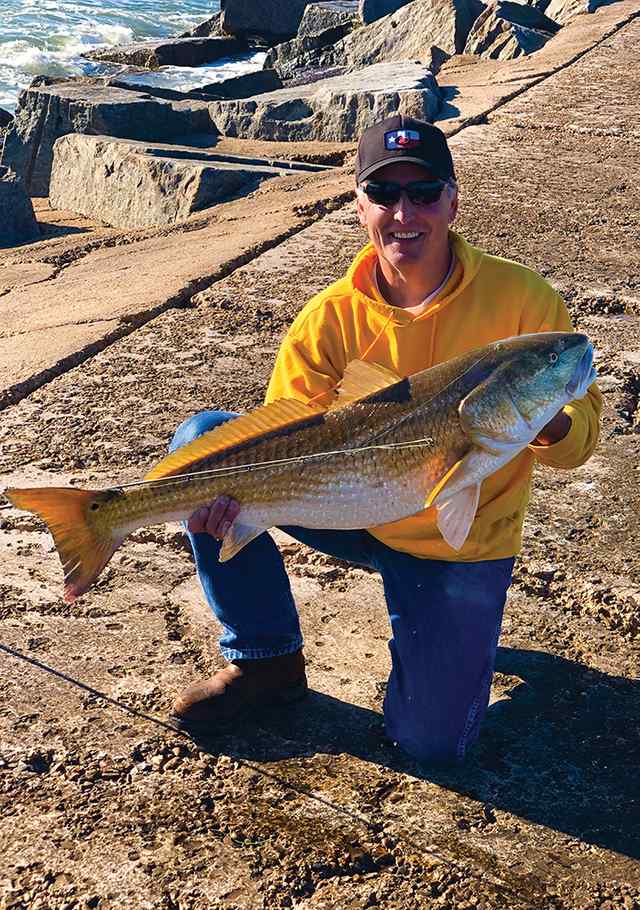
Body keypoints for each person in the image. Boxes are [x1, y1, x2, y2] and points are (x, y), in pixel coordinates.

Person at [168, 115, 601, 765]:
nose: (406, 212)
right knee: (204, 442)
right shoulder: (329, 319)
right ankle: (266, 662)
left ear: (453, 200)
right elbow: (283, 432)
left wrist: (554, 419)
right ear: (360, 206)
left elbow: (582, 441)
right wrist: (227, 497)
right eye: (385, 194)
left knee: (432, 745)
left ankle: (455, 633)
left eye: (424, 192)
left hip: (458, 545)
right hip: (349, 507)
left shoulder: (522, 302)